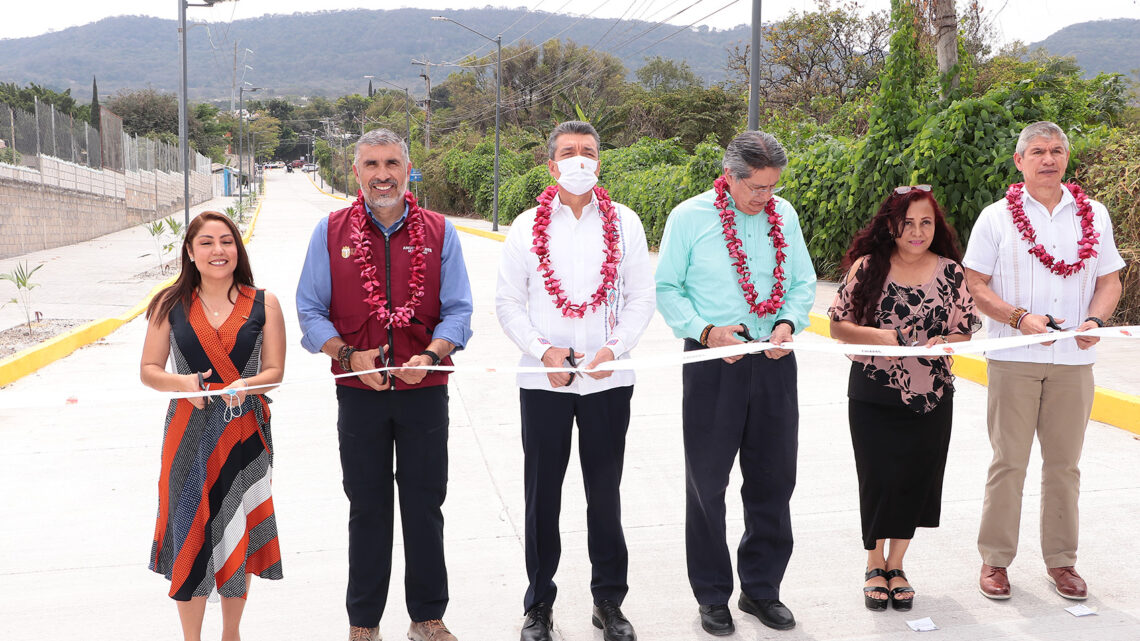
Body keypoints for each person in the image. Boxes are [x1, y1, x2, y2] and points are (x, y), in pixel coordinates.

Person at [296, 128, 473, 641]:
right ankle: (364, 622)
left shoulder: (440, 231)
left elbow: (459, 311)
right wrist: (349, 355)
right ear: (356, 172)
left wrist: (433, 353)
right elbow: (310, 311)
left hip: (425, 392)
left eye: (392, 163)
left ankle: (427, 617)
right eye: (371, 164)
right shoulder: (330, 232)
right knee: (367, 506)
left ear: (407, 168)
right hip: (359, 393)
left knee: (424, 504)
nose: (382, 174)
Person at [495, 121, 655, 641]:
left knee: (604, 494)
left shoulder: (626, 223)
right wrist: (544, 352)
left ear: (599, 162)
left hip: (608, 380)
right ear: (551, 165)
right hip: (545, 383)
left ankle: (608, 601)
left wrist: (615, 348)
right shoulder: (525, 227)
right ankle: (538, 604)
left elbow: (639, 298)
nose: (579, 160)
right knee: (542, 497)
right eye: (569, 152)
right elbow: (508, 303)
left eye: (588, 152)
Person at [655, 130, 817, 635]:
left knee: (774, 479)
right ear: (729, 176)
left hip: (773, 360)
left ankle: (761, 589)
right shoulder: (689, 217)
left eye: (770, 188)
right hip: (712, 363)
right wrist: (707, 332)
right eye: (754, 188)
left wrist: (789, 323)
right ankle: (712, 595)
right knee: (707, 483)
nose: (762, 198)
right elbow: (667, 288)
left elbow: (802, 282)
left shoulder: (784, 215)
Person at [963, 121, 1124, 602]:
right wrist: (1018, 317)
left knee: (1064, 466)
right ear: (1020, 162)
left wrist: (1094, 321)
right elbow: (976, 284)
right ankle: (995, 560)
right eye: (1037, 151)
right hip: (1013, 357)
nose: (1048, 159)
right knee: (1008, 462)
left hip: (1074, 362)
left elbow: (1110, 280)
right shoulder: (996, 217)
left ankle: (1062, 563)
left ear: (1066, 158)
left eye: (1056, 150)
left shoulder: (1093, 214)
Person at [828, 185, 979, 612]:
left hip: (932, 395)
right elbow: (839, 325)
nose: (917, 231)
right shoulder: (869, 267)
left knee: (917, 479)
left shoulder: (951, 271)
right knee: (878, 478)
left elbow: (965, 328)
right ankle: (873, 563)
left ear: (937, 227)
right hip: (874, 391)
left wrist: (943, 341)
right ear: (891, 224)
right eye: (908, 222)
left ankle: (897, 565)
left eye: (925, 222)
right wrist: (881, 336)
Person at [140, 211, 286, 641]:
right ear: (190, 251)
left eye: (226, 241)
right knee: (189, 530)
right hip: (187, 433)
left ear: (237, 249)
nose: (217, 250)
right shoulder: (169, 304)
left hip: (245, 433)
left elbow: (274, 371)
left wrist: (248, 383)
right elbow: (149, 370)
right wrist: (184, 383)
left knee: (237, 529)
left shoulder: (264, 303)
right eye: (206, 242)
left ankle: (231, 634)